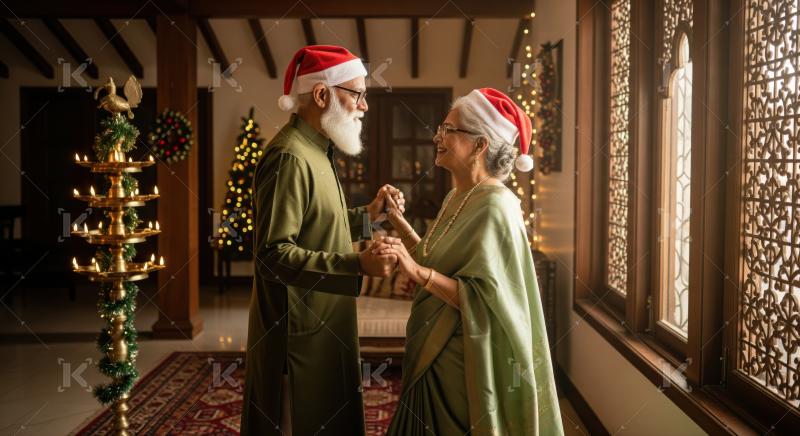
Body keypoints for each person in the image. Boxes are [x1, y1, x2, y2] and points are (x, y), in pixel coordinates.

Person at [374, 88, 564, 435]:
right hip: (431, 346)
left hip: (462, 359)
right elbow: (434, 260)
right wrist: (399, 225)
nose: (437, 137)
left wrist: (414, 270)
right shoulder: (455, 196)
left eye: (449, 130)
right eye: (440, 128)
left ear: (480, 145)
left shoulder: (497, 207)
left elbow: (483, 299)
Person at [241, 45, 403, 436]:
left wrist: (370, 215)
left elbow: (323, 226)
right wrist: (357, 265)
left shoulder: (317, 148)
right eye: (357, 94)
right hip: (297, 331)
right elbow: (272, 255)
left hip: (323, 317)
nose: (364, 106)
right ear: (321, 94)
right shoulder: (290, 157)